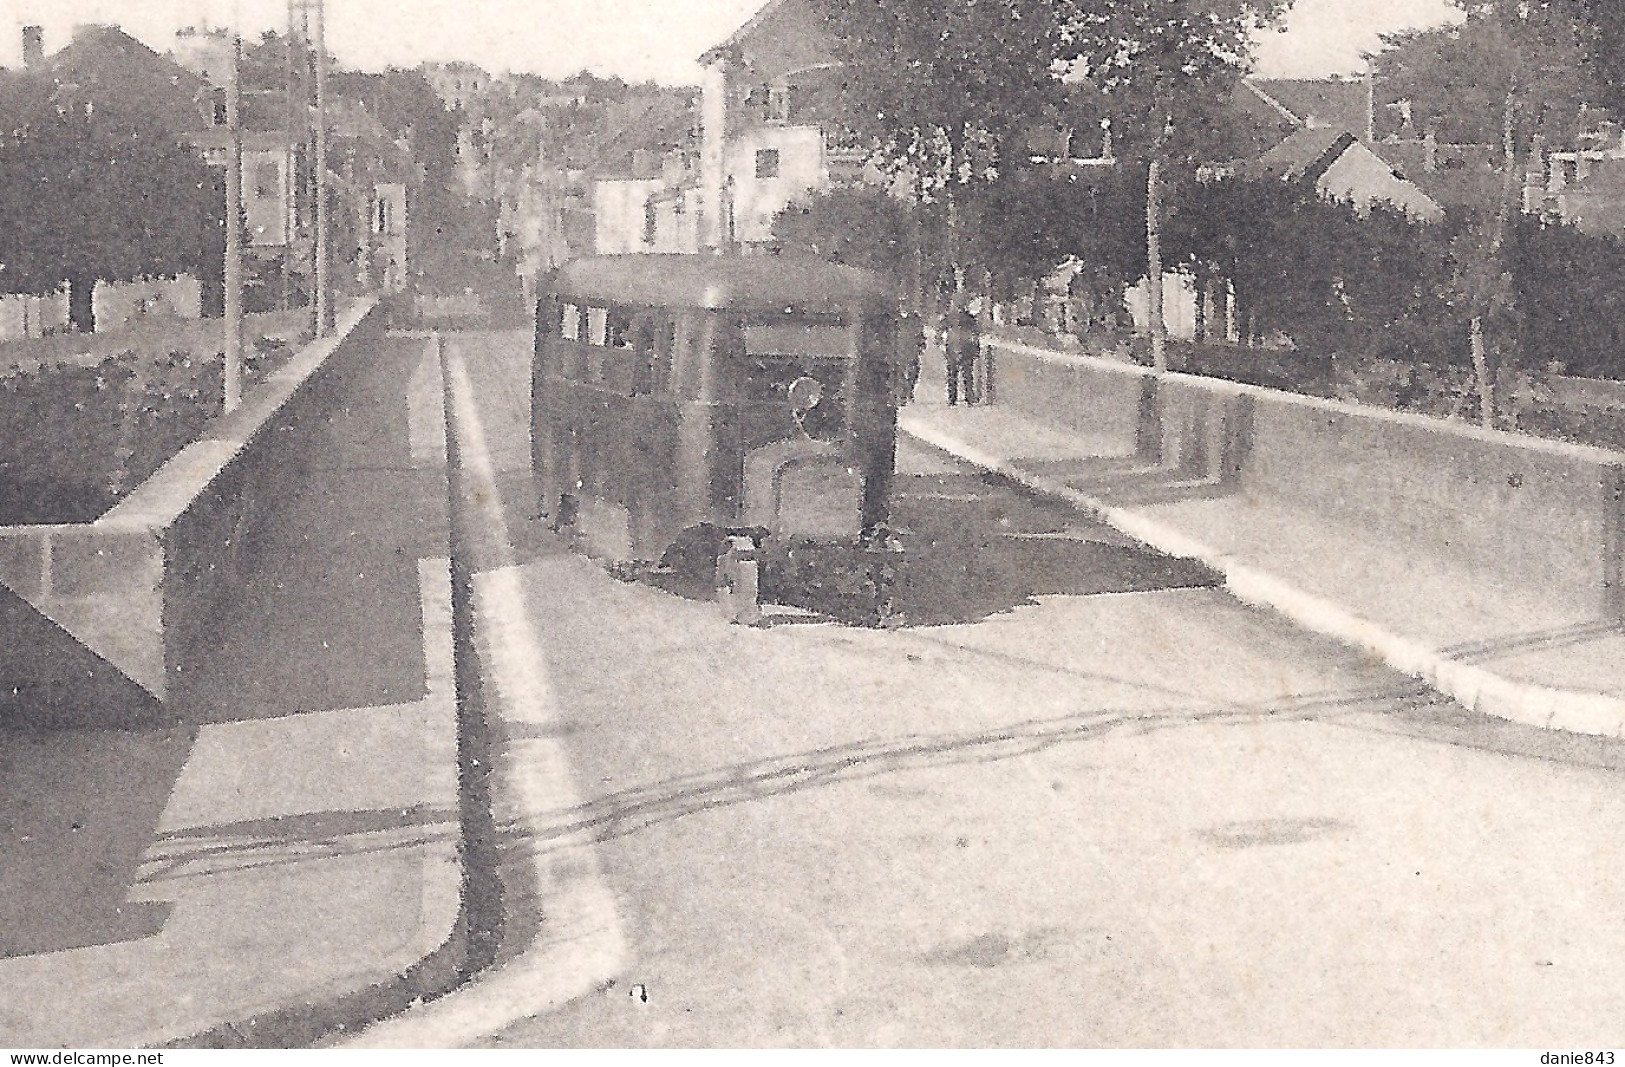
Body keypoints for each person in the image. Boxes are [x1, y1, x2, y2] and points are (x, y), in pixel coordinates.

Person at [946, 297, 980, 406]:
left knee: (956, 375)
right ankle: (966, 397)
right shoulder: (969, 319)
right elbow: (975, 335)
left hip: (957, 348)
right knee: (965, 375)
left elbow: (975, 335)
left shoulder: (951, 318)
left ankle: (954, 398)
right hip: (962, 349)